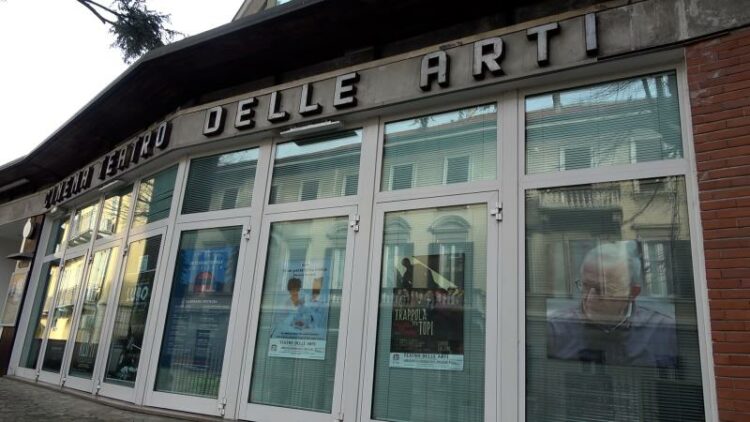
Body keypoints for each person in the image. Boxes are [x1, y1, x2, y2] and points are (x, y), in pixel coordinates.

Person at [547, 241, 678, 367]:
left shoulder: (665, 331)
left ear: (632, 293)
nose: (590, 299)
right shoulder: (554, 329)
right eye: (585, 286)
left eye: (603, 290)